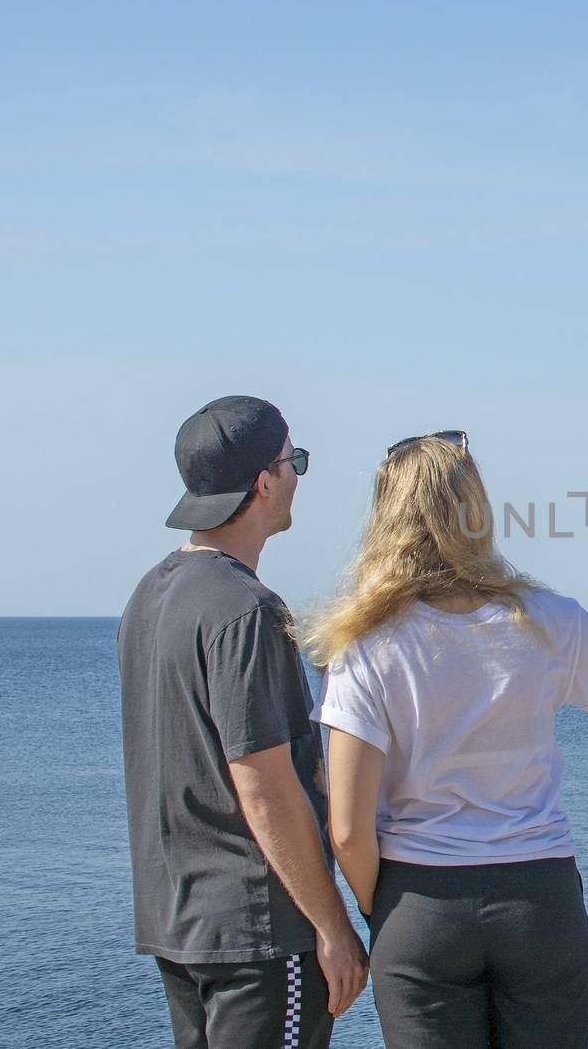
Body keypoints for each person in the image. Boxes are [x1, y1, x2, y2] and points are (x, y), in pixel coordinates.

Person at [299, 430, 588, 1049]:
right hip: (540, 900)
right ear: (477, 511)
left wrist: (383, 910)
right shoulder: (546, 618)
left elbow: (348, 831)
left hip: (420, 903)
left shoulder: (364, 647)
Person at [117, 395, 368, 1049]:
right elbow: (262, 785)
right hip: (258, 934)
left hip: (179, 922)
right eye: (295, 463)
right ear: (264, 482)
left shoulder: (147, 597)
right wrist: (334, 928)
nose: (296, 479)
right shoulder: (246, 610)